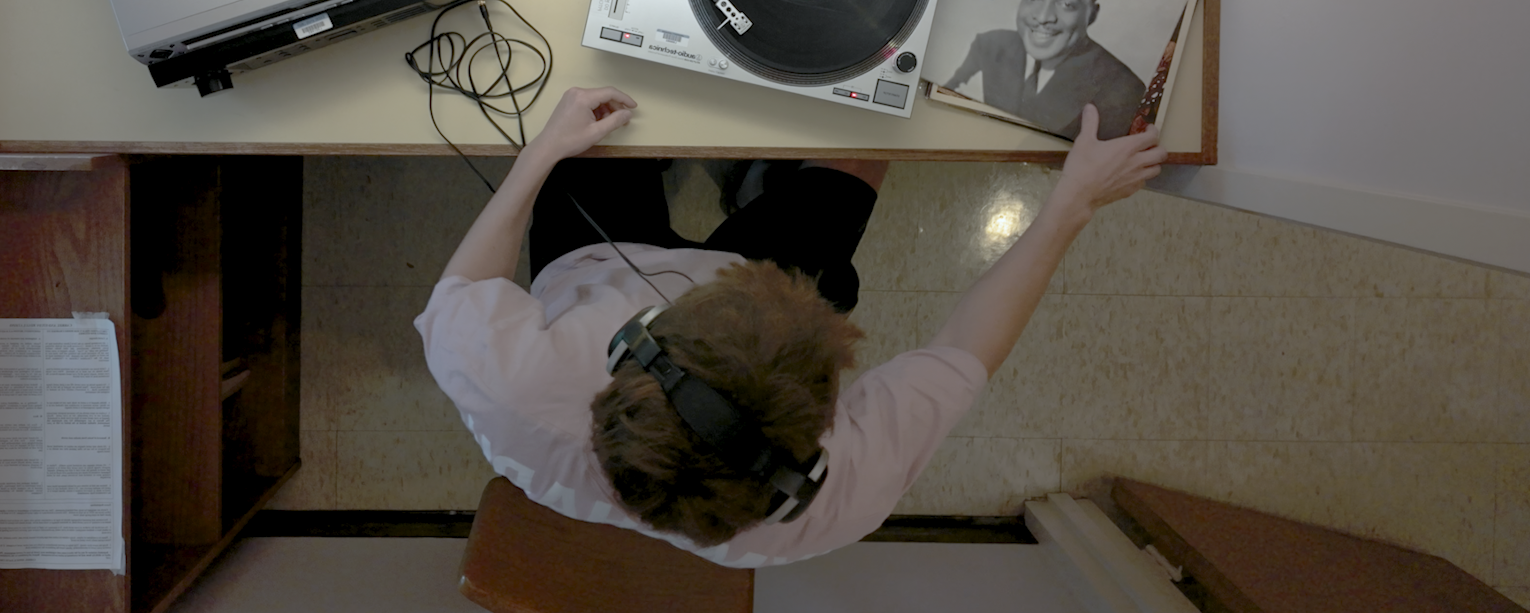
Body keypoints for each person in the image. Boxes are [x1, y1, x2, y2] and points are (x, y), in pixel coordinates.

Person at [416, 86, 1165, 567]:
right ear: (813, 443)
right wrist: (1072, 204)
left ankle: (749, 183)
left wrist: (544, 152)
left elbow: (467, 282)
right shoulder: (838, 498)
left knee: (604, 96)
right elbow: (964, 352)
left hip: (591, 262)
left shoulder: (502, 382)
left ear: (632, 346)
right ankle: (767, 189)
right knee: (867, 148)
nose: (712, 280)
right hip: (736, 282)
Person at [942, 0, 1146, 140]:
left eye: (1066, 4)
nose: (1043, 16)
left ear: (1091, 14)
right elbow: (943, 101)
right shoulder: (989, 45)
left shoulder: (1123, 89)